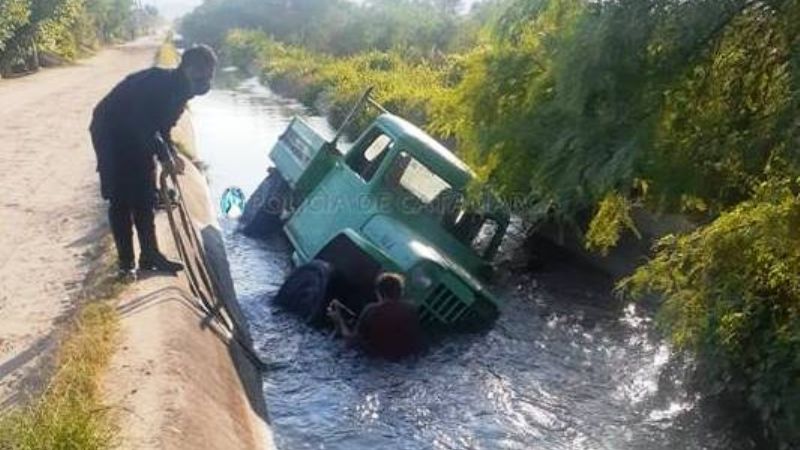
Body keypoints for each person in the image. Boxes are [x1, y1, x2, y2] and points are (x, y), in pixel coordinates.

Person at [90, 45, 217, 280]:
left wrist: (170, 152)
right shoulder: (159, 84)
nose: (206, 81)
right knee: (121, 199)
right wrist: (165, 156)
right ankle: (126, 264)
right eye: (202, 74)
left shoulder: (182, 92)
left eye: (209, 76)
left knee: (146, 193)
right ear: (188, 68)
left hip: (137, 133)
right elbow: (143, 124)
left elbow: (163, 127)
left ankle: (150, 255)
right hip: (110, 132)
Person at [327, 273, 425, 360]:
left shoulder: (371, 310)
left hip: (375, 358)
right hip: (403, 357)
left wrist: (338, 320)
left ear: (379, 293)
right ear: (401, 292)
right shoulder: (411, 309)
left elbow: (351, 341)